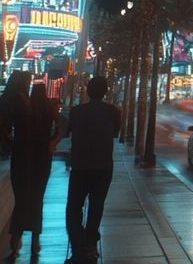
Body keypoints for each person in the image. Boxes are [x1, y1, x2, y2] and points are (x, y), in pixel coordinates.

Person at [65, 76, 120, 263]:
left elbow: (67, 131)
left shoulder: (76, 112)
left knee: (73, 208)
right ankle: (89, 245)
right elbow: (115, 133)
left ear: (87, 91)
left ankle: (78, 246)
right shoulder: (113, 112)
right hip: (103, 166)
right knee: (96, 207)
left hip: (80, 166)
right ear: (105, 91)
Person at [4, 81, 62, 257]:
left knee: (21, 198)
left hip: (21, 157)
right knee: (37, 198)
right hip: (42, 157)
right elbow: (61, 129)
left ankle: (15, 240)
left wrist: (13, 145)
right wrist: (51, 143)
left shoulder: (22, 108)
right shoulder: (49, 109)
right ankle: (35, 240)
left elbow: (4, 131)